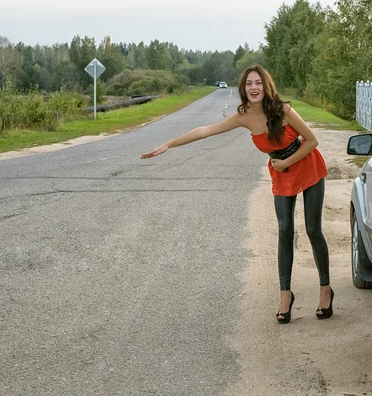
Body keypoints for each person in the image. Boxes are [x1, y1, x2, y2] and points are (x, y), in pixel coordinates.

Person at [141, 64, 333, 324]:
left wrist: (286, 163)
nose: (253, 88)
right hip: (281, 172)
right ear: (244, 88)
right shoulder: (243, 117)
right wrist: (168, 145)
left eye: (258, 83)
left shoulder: (284, 110)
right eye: (248, 83)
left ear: (266, 86)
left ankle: (325, 290)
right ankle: (286, 296)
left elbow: (312, 140)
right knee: (285, 229)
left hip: (307, 165)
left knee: (312, 230)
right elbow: (204, 131)